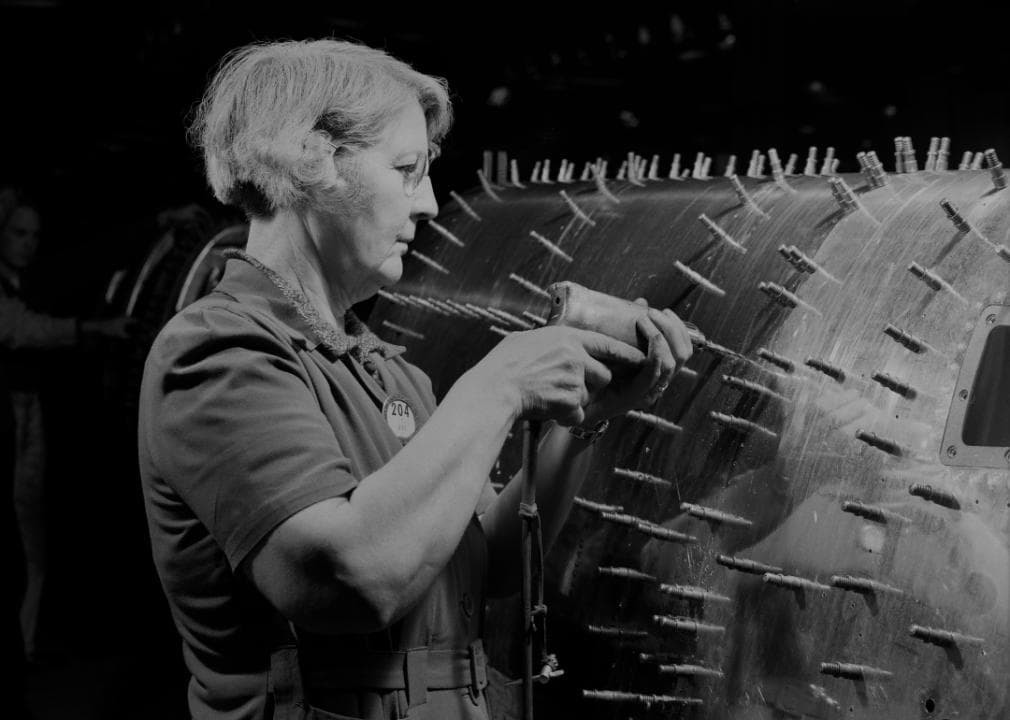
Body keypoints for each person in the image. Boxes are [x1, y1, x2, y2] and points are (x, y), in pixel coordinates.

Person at [138, 38, 693, 720]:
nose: (429, 202)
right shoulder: (217, 354)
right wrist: (498, 385)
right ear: (314, 163)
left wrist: (585, 426)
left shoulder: (390, 373)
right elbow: (352, 585)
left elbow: (489, 566)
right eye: (406, 168)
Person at [0, 186, 133, 666]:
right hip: (16, 417)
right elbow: (20, 328)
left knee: (30, 542)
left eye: (34, 235)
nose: (28, 243)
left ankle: (25, 650)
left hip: (27, 416)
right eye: (18, 233)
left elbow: (85, 255)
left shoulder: (28, 279)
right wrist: (95, 330)